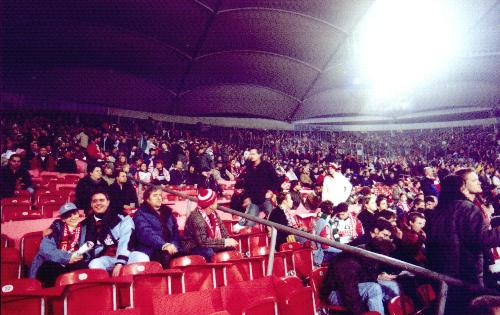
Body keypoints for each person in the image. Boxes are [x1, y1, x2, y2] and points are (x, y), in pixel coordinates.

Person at [426, 175, 500, 315]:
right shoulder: (466, 207)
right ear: (461, 187)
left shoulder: (437, 211)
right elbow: (481, 238)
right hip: (466, 274)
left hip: (446, 276)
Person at [320, 231, 400, 315]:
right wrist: (361, 313)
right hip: (335, 294)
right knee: (374, 289)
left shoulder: (368, 256)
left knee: (392, 286)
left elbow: (368, 280)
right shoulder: (350, 262)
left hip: (352, 289)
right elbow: (350, 293)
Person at [29, 203, 92, 287]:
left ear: (78, 214)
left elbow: (89, 248)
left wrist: (83, 255)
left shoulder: (84, 228)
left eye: (74, 213)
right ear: (63, 219)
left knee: (83, 268)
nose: (73, 217)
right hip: (55, 262)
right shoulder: (54, 229)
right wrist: (68, 257)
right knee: (51, 268)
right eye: (68, 216)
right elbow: (46, 250)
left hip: (74, 262)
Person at [128, 185, 181, 268]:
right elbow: (146, 233)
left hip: (171, 248)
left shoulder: (168, 212)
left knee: (186, 257)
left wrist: (174, 246)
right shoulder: (141, 214)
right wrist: (163, 245)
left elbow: (175, 232)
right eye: (155, 195)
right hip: (150, 250)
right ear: (147, 199)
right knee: (164, 258)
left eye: (160, 195)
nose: (159, 198)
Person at [233, 148, 282, 231]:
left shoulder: (267, 166)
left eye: (254, 154)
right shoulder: (248, 168)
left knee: (272, 223)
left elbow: (276, 181)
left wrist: (272, 191)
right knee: (249, 224)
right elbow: (246, 186)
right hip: (253, 200)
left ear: (259, 155)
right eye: (250, 154)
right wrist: (246, 197)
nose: (251, 156)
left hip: (266, 199)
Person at [183, 188, 238, 262]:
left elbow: (223, 230)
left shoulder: (213, 213)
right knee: (208, 252)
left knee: (231, 248)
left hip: (210, 244)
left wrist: (228, 240)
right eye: (215, 201)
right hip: (194, 247)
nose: (217, 202)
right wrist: (224, 242)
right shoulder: (196, 218)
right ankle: (212, 272)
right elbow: (203, 242)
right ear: (211, 205)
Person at [87, 192, 134, 277]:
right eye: (95, 201)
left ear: (108, 202)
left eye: (102, 200)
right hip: (108, 258)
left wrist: (120, 262)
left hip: (128, 255)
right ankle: (107, 290)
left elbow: (127, 240)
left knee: (142, 258)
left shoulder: (122, 217)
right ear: (91, 204)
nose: (98, 203)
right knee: (94, 264)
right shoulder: (87, 222)